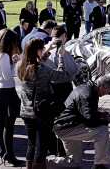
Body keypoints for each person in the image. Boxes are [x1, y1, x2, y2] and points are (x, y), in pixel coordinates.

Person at [17, 36, 67, 169]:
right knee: (40, 146)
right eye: (42, 48)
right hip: (41, 112)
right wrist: (61, 56)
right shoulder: (42, 70)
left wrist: (48, 51)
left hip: (26, 111)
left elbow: (37, 64)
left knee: (31, 144)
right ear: (37, 51)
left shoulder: (21, 66)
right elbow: (61, 74)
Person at [52, 76, 110, 169]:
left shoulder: (87, 88)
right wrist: (105, 121)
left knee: (74, 163)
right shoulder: (88, 94)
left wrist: (99, 115)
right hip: (66, 127)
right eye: (108, 91)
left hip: (66, 125)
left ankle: (41, 163)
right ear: (101, 88)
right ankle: (99, 165)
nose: (107, 93)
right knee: (102, 131)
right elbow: (90, 121)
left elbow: (84, 111)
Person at [44, 26, 80, 157]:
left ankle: (52, 147)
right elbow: (73, 70)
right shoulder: (62, 50)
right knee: (63, 119)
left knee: (53, 119)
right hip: (63, 88)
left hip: (50, 88)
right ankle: (62, 149)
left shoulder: (46, 49)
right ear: (64, 35)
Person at [0, 29, 23, 166]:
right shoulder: (4, 55)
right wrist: (16, 63)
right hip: (6, 91)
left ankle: (3, 151)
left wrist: (12, 61)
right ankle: (9, 154)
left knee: (0, 123)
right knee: (9, 126)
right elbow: (8, 76)